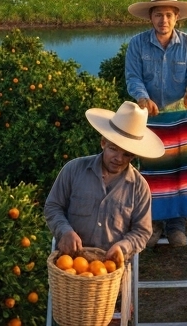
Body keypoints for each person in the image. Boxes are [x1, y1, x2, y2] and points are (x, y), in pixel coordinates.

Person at [124, 0, 187, 248]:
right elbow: (133, 77)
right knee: (151, 171)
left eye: (169, 15)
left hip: (180, 117)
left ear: (177, 17)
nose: (164, 20)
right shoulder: (137, 44)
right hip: (148, 118)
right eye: (159, 15)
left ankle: (177, 224)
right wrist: (142, 98)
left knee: (182, 169)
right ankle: (154, 222)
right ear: (151, 17)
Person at [44, 101, 163, 268]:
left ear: (134, 156)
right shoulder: (74, 170)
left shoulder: (139, 187)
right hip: (70, 267)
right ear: (103, 142)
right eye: (113, 149)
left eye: (126, 154)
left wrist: (123, 246)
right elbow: (53, 206)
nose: (118, 158)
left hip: (110, 272)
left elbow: (142, 231)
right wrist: (65, 231)